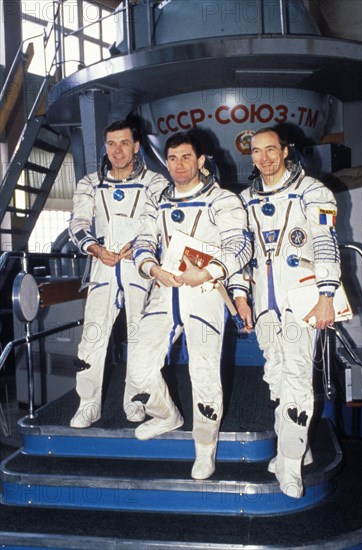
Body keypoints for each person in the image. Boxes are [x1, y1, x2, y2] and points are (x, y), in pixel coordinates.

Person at [124, 131, 252, 480]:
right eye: (172, 159)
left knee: (205, 374)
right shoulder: (157, 202)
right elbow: (142, 243)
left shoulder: (223, 200)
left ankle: (204, 450)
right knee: (138, 366)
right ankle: (166, 415)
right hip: (166, 291)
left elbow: (240, 246)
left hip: (205, 293)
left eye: (185, 158)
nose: (178, 165)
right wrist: (152, 269)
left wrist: (207, 273)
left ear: (200, 161)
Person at [232, 127, 341, 498]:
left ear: (285, 150)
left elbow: (326, 244)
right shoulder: (244, 200)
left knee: (295, 378)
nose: (265, 158)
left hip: (302, 298)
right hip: (264, 304)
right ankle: (301, 448)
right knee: (277, 379)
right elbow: (241, 254)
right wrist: (241, 296)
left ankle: (289, 463)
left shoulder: (313, 192)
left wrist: (326, 295)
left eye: (271, 149)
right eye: (258, 152)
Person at [69, 119, 168, 428]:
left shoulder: (156, 183)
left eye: (124, 143)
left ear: (136, 146)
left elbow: (160, 224)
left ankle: (136, 399)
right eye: (111, 144)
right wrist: (95, 249)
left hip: (139, 264)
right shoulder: (89, 183)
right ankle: (88, 404)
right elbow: (78, 223)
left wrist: (139, 246)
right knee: (93, 335)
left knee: (141, 334)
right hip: (103, 263)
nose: (117, 150)